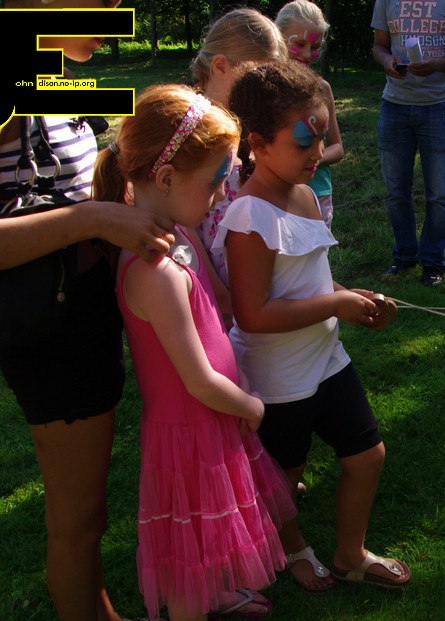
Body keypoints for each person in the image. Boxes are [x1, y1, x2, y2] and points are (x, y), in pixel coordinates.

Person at [0, 2, 177, 620]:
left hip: (85, 315)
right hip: (48, 330)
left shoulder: (50, 77)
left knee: (90, 513)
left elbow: (63, 192)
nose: (117, 16)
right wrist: (92, 218)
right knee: (76, 520)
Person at [93, 83, 296, 621]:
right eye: (214, 182)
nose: (220, 194)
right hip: (190, 431)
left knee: (213, 529)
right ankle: (191, 608)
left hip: (211, 421)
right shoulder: (153, 271)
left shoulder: (175, 232)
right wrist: (250, 405)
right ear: (165, 178)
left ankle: (217, 594)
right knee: (188, 546)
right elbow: (197, 378)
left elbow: (215, 313)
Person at [214, 61, 411, 593]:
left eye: (321, 138)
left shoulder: (302, 193)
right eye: (304, 142)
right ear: (258, 143)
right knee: (285, 478)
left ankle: (350, 553)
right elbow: (253, 314)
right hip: (278, 377)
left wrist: (351, 298)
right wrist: (334, 304)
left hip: (326, 359)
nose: (317, 153)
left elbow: (310, 279)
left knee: (367, 455)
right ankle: (293, 546)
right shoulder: (249, 217)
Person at [191, 7, 288, 322]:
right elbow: (180, 226)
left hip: (254, 288)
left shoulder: (251, 124)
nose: (265, 91)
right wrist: (220, 296)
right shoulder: (191, 129)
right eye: (255, 78)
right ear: (220, 66)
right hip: (210, 295)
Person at [370, 0, 445, 286]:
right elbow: (378, 46)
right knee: (395, 191)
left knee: (438, 194)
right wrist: (387, 61)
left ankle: (433, 262)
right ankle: (404, 256)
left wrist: (436, 65)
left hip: (438, 107)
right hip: (394, 105)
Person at [275, 0, 345, 228]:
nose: (307, 54)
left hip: (317, 194)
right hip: (274, 194)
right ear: (278, 38)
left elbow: (337, 147)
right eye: (299, 44)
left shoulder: (322, 89)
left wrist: (308, 160)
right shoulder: (264, 89)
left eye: (315, 47)